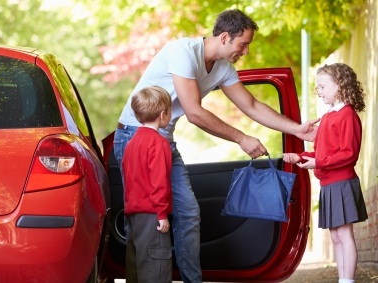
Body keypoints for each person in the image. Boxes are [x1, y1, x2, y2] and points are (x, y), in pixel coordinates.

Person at [114, 9, 319, 283]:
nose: (245, 51)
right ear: (224, 37)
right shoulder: (182, 52)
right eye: (243, 44)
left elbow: (252, 105)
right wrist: (241, 138)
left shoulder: (223, 68)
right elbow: (194, 112)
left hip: (164, 140)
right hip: (135, 137)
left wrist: (297, 128)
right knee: (144, 219)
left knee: (188, 213)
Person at [283, 63, 368, 283]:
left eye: (322, 86)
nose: (318, 91)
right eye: (317, 87)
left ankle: (347, 280)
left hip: (342, 182)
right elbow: (322, 152)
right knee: (335, 235)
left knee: (344, 235)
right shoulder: (329, 116)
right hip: (328, 184)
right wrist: (300, 156)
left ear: (339, 86)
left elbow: (349, 154)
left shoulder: (347, 115)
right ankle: (343, 278)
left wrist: (318, 161)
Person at [122, 86, 173, 283]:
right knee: (155, 269)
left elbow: (129, 179)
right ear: (162, 115)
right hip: (152, 216)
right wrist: (162, 214)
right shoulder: (159, 144)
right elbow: (159, 182)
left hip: (133, 215)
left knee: (136, 267)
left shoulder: (131, 144)